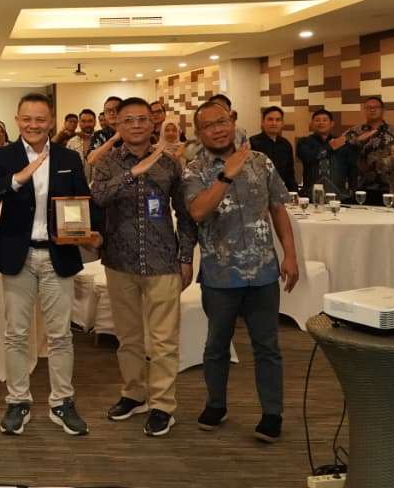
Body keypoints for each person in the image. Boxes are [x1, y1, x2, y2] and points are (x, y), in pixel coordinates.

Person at [0, 93, 100, 437]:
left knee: (60, 335)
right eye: (27, 119)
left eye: (40, 119)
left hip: (58, 255)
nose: (33, 125)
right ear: (17, 120)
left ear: (51, 121)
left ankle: (62, 401)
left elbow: (83, 200)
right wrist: (17, 178)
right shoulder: (4, 156)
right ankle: (17, 401)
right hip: (19, 255)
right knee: (16, 334)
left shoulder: (68, 157)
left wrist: (92, 231)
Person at [183, 102, 299, 444]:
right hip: (220, 275)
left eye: (222, 121)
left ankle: (272, 413)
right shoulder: (194, 170)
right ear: (199, 133)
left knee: (267, 346)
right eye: (208, 126)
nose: (217, 129)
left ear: (233, 121)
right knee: (216, 344)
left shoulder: (261, 161)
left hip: (263, 272)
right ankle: (216, 404)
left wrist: (290, 255)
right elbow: (198, 211)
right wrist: (226, 175)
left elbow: (278, 208)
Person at [90, 98, 197, 438]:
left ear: (153, 124)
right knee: (129, 337)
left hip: (163, 259)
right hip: (119, 260)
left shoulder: (170, 163)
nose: (136, 125)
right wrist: (132, 174)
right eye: (128, 120)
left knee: (164, 340)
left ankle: (163, 405)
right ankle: (134, 393)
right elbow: (98, 198)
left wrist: (186, 257)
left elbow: (185, 214)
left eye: (142, 119)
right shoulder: (106, 163)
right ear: (117, 125)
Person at [344, 96, 394, 205]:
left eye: (376, 107)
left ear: (383, 110)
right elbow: (341, 151)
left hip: (388, 187)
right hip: (360, 186)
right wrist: (357, 141)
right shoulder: (354, 131)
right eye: (369, 107)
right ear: (364, 111)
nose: (372, 110)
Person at [296, 109, 351, 198]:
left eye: (325, 120)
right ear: (312, 124)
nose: (321, 123)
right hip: (310, 195)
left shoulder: (342, 143)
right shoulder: (304, 142)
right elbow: (308, 158)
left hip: (339, 196)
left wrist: (352, 190)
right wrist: (330, 147)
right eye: (317, 120)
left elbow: (351, 167)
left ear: (332, 124)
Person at [249, 107, 297, 193]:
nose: (274, 123)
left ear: (282, 123)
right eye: (270, 119)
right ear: (263, 122)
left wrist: (294, 193)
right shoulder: (252, 143)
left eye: (278, 120)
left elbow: (290, 174)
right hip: (258, 193)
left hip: (281, 192)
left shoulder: (286, 144)